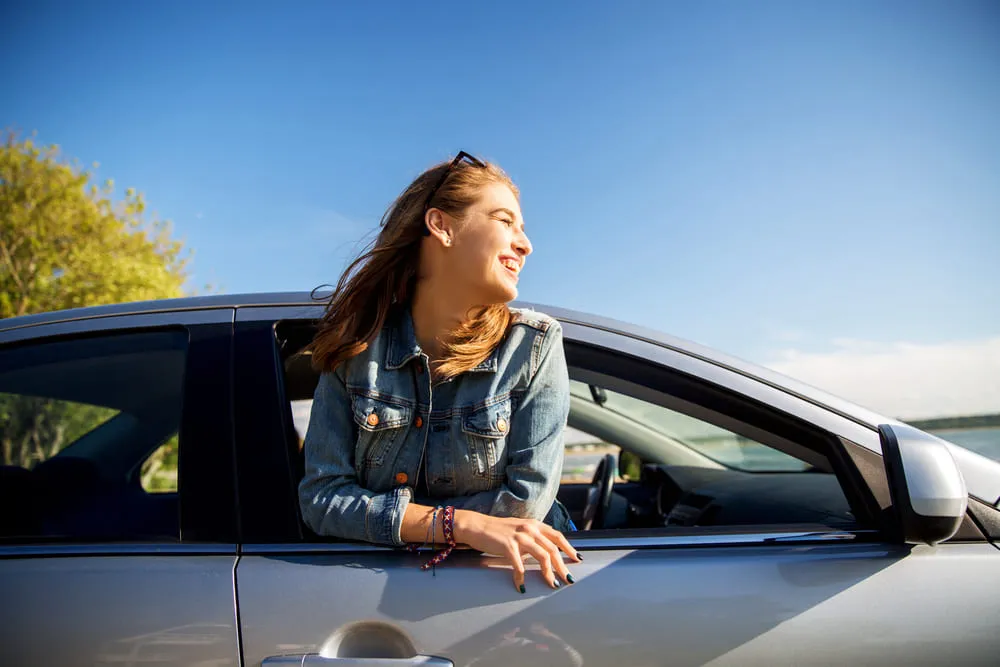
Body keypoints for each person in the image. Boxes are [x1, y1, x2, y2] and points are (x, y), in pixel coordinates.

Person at [299, 151, 580, 593]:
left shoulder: (534, 345)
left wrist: (390, 516)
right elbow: (321, 500)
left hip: (515, 588)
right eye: (506, 221)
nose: (526, 244)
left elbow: (523, 507)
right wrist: (460, 524)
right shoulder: (355, 349)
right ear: (442, 226)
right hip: (372, 593)